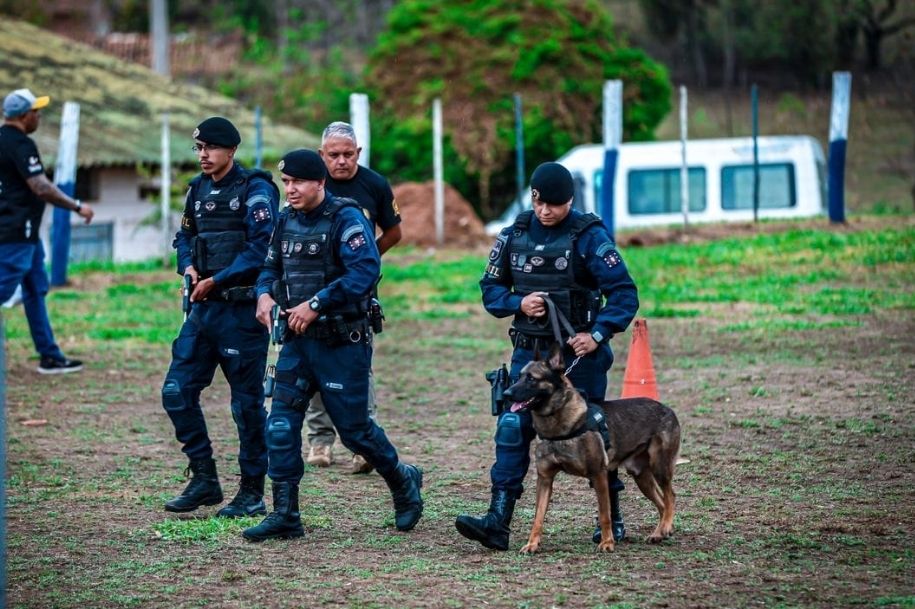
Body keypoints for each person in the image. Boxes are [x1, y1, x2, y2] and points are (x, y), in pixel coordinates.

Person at [454, 161, 639, 551]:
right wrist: (518, 303)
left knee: (594, 433)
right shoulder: (515, 233)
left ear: (569, 200)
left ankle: (612, 519)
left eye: (553, 204)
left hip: (577, 356)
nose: (544, 211)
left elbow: (624, 293)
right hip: (529, 353)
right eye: (539, 203)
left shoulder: (589, 237)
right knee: (512, 427)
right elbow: (490, 289)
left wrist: (598, 334)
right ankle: (497, 522)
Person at [242, 149, 422, 541]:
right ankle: (285, 515)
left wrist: (316, 304)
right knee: (280, 427)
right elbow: (269, 267)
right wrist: (264, 295)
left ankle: (403, 481)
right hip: (297, 343)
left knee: (355, 433)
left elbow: (365, 271)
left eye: (298, 182)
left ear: (320, 182)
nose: (290, 189)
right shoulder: (285, 220)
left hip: (343, 342)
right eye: (286, 182)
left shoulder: (346, 218)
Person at [161, 116, 279, 519]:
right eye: (199, 148)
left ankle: (252, 492)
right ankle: (204, 477)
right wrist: (189, 266)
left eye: (210, 148)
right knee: (176, 391)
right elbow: (184, 236)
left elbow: (262, 246)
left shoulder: (255, 189)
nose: (203, 155)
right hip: (204, 311)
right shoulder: (196, 190)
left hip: (241, 312)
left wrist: (218, 279)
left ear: (231, 150)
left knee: (246, 407)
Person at [303, 121, 402, 473]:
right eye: (334, 155)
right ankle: (320, 440)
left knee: (358, 365)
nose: (342, 161)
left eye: (348, 154)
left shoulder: (374, 184)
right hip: (313, 289)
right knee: (314, 363)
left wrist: (365, 260)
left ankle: (363, 444)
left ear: (358, 152)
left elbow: (394, 232)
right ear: (322, 155)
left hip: (357, 293)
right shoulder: (311, 184)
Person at [0, 88, 94, 374]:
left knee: (34, 290)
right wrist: (76, 206)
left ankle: (49, 355)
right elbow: (40, 187)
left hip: (24, 234)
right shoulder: (20, 144)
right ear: (24, 115)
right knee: (4, 289)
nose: (39, 116)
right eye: (36, 111)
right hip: (16, 232)